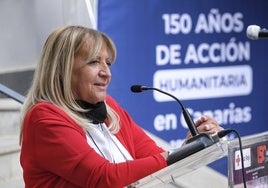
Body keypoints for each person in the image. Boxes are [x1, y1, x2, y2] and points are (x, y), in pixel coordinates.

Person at [19, 25, 223, 188]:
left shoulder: (109, 109)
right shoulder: (44, 118)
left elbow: (155, 160)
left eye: (108, 63)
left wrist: (191, 147)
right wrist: (179, 154)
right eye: (94, 62)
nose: (106, 73)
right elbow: (103, 178)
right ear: (62, 70)